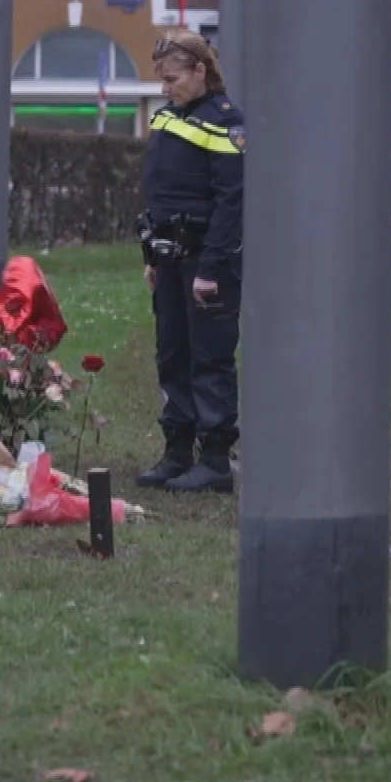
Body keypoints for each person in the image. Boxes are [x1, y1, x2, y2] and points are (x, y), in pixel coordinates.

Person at [136, 29, 245, 494]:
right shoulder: (168, 118)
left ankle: (215, 459)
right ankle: (177, 450)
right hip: (170, 256)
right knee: (172, 354)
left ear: (201, 71)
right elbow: (160, 192)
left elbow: (232, 203)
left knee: (209, 357)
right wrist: (153, 256)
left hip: (205, 260)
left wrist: (211, 269)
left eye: (173, 79)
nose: (166, 88)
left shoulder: (225, 122)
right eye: (162, 80)